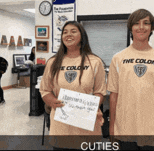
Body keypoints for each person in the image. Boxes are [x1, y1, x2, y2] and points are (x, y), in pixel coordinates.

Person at [107, 9, 154, 150]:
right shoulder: (118, 58)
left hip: (152, 133)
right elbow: (114, 97)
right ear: (131, 27)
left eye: (146, 23)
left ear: (151, 28)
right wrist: (112, 128)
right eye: (136, 23)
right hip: (124, 131)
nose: (141, 27)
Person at [40, 21, 106, 150]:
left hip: (86, 124)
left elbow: (100, 91)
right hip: (61, 126)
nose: (68, 35)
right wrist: (52, 101)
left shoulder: (95, 61)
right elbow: (45, 90)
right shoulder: (53, 62)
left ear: (82, 35)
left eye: (73, 31)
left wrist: (90, 107)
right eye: (65, 32)